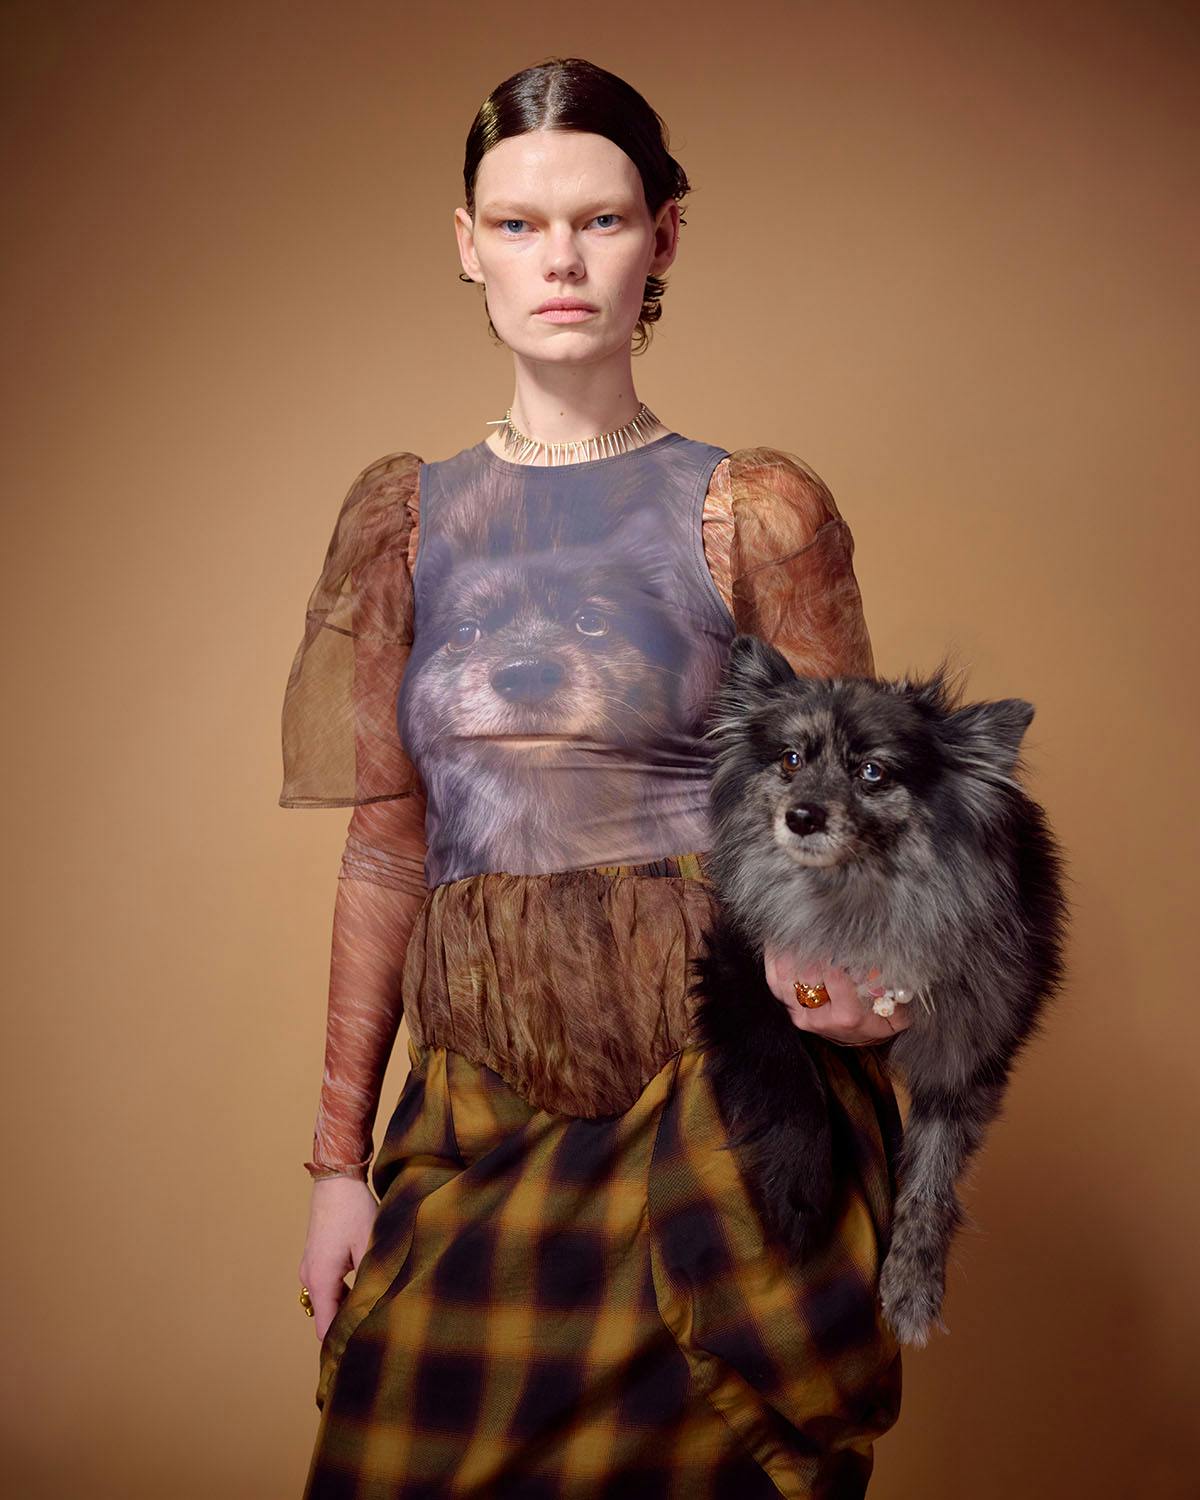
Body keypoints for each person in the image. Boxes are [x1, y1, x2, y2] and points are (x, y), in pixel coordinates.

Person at [280, 56, 912, 1499]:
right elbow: (386, 850)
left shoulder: (755, 511)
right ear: (469, 245)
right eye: (519, 224)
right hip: (471, 1104)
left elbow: (852, 822)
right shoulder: (404, 522)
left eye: (601, 220)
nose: (558, 259)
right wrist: (336, 1167)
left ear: (663, 237)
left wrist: (858, 983)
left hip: (710, 1118)